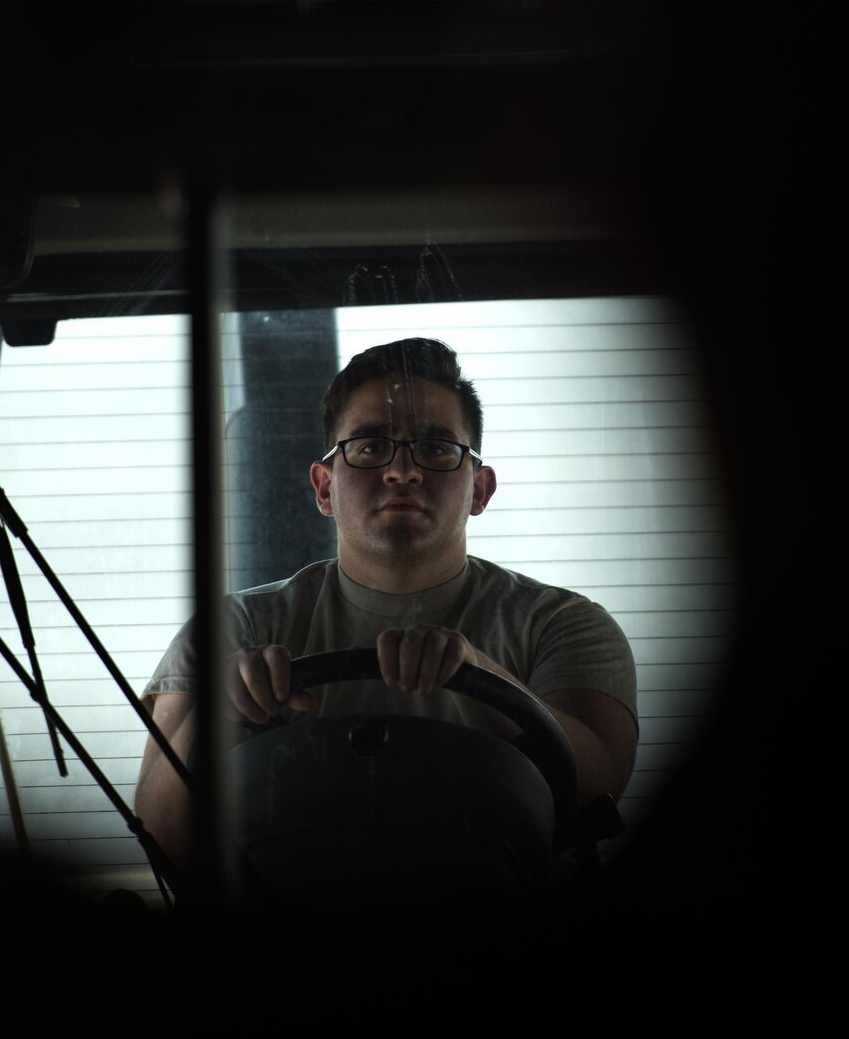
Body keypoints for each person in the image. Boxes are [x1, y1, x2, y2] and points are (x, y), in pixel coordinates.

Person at [133, 336, 638, 869]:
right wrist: (220, 712)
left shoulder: (562, 624)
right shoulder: (232, 628)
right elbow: (162, 835)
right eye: (371, 446)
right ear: (324, 488)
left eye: (438, 448)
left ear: (480, 490)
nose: (403, 471)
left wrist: (481, 675)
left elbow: (600, 790)